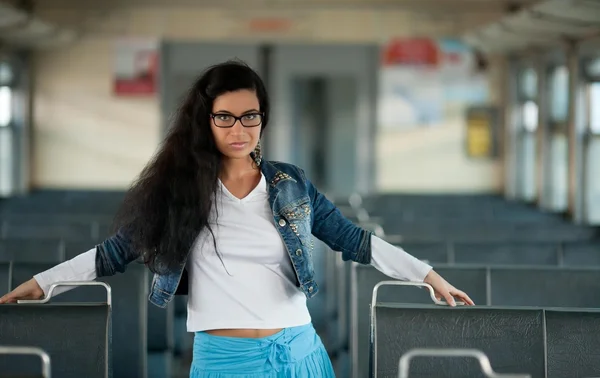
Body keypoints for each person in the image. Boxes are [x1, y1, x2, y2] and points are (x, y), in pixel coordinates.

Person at [0, 60, 474, 377]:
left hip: (300, 353)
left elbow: (354, 239)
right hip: (222, 360)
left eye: (250, 116)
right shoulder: (180, 192)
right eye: (224, 117)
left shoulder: (291, 183)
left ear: (263, 118)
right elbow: (114, 253)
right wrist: (43, 283)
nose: (239, 128)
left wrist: (427, 275)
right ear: (205, 121)